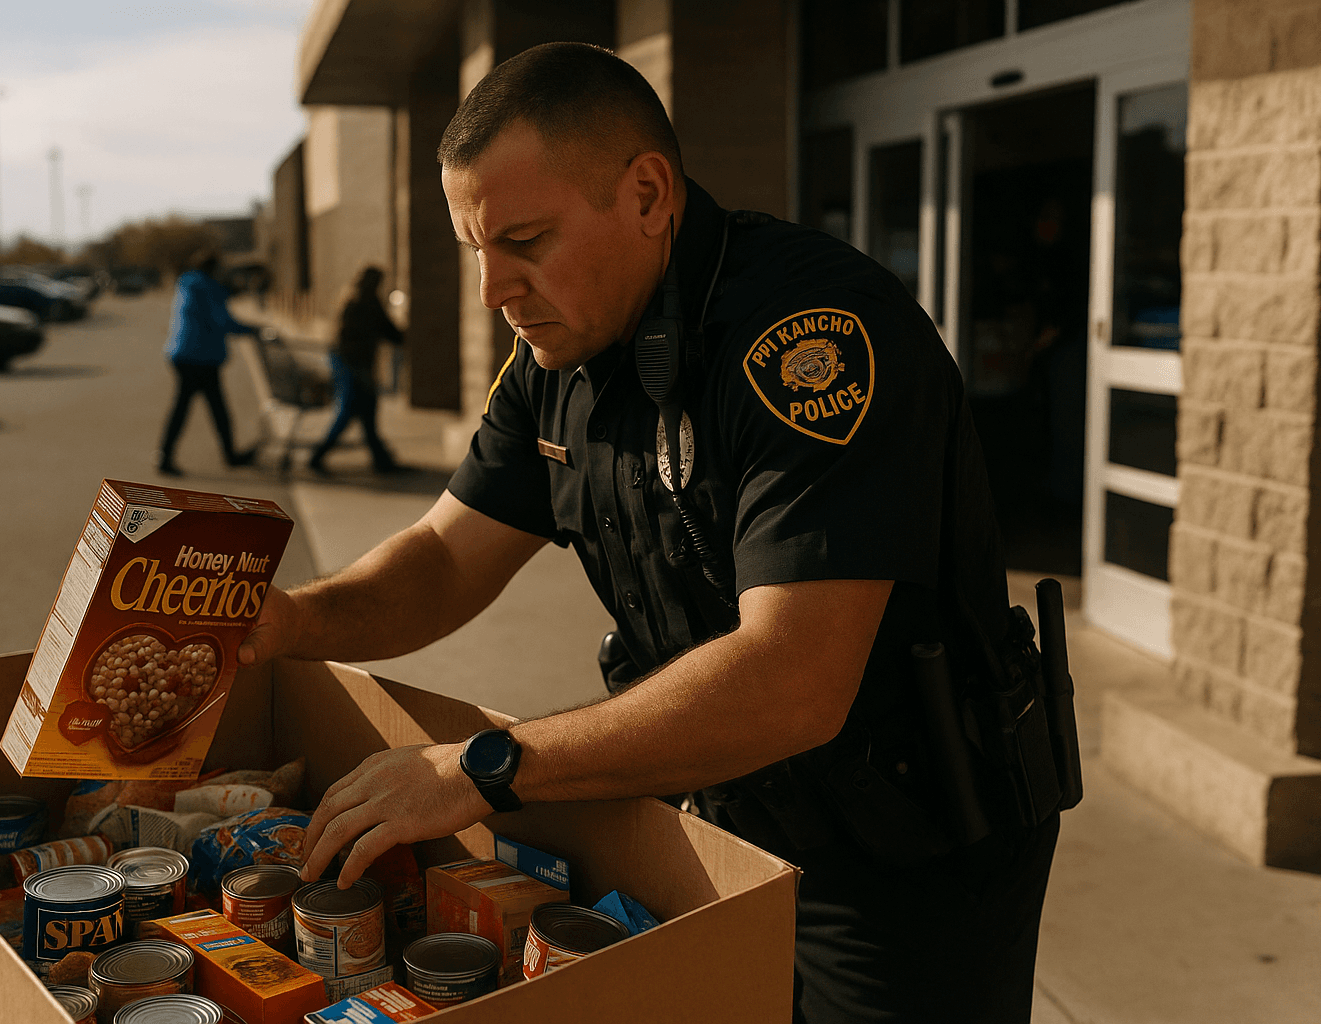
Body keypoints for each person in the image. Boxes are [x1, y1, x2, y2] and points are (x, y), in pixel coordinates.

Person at [239, 43, 1062, 1023]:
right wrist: (285, 621)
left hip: (904, 860)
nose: (493, 287)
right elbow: (443, 559)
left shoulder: (811, 339)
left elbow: (792, 682)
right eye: (476, 248)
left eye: (526, 239)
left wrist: (480, 766)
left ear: (646, 195)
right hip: (717, 821)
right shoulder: (554, 354)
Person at [157, 249, 259, 476]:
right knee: (212, 408)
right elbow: (222, 321)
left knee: (191, 407)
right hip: (200, 357)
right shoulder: (208, 288)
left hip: (183, 353)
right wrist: (252, 330)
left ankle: (166, 455)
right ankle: (229, 455)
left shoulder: (188, 285)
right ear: (214, 268)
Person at [307, 265, 404, 474]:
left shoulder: (352, 300)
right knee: (350, 411)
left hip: (348, 364)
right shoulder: (366, 304)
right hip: (353, 367)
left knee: (366, 412)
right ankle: (318, 456)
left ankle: (381, 460)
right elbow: (392, 333)